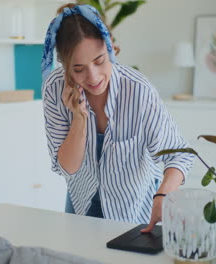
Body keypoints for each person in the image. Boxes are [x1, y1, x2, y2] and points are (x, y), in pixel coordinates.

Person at [41, 3, 194, 232]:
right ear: (64, 65)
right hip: (81, 203)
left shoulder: (138, 91)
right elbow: (67, 168)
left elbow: (179, 155)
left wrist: (163, 194)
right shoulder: (54, 89)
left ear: (111, 46)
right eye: (78, 69)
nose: (93, 77)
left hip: (135, 209)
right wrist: (79, 117)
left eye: (100, 61)